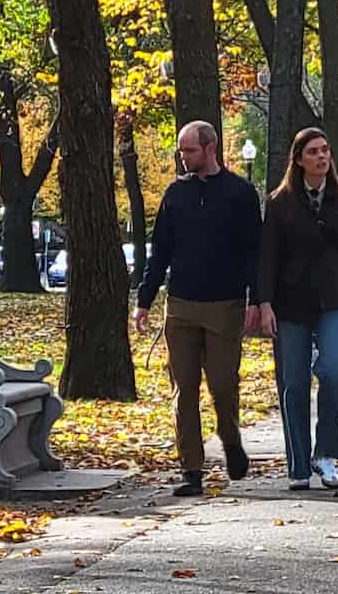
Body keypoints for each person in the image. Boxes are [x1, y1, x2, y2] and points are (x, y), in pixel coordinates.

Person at [134, 121, 262, 497]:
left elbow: (254, 252)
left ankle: (231, 439)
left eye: (189, 150)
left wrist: (257, 299)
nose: (183, 157)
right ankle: (191, 469)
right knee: (183, 390)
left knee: (223, 385)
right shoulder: (176, 194)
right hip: (181, 305)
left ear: (210, 148)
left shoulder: (240, 193)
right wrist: (144, 301)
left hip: (225, 304)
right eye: (181, 151)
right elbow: (160, 252)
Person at [258, 127, 338, 491]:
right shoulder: (279, 202)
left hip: (335, 300)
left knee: (336, 370)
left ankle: (326, 452)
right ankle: (298, 465)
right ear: (299, 160)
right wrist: (264, 303)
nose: (321, 156)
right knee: (294, 382)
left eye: (325, 150)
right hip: (290, 304)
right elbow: (267, 258)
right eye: (313, 152)